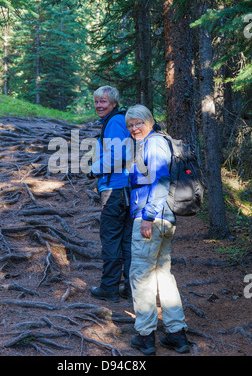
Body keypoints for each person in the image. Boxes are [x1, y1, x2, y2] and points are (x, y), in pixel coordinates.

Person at [125, 104, 189, 355]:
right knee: (162, 275)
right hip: (165, 220)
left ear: (150, 122)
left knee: (140, 276)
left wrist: (148, 217)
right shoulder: (156, 142)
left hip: (152, 219)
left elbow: (161, 180)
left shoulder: (154, 143)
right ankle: (176, 334)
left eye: (138, 123)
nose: (134, 128)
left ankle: (145, 336)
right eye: (130, 125)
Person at [90, 86, 133, 303]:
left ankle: (109, 288)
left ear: (113, 103)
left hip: (115, 190)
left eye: (103, 102)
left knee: (111, 238)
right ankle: (130, 288)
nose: (99, 105)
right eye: (97, 101)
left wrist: (94, 169)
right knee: (126, 241)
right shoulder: (118, 120)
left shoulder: (115, 121)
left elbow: (117, 156)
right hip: (127, 189)